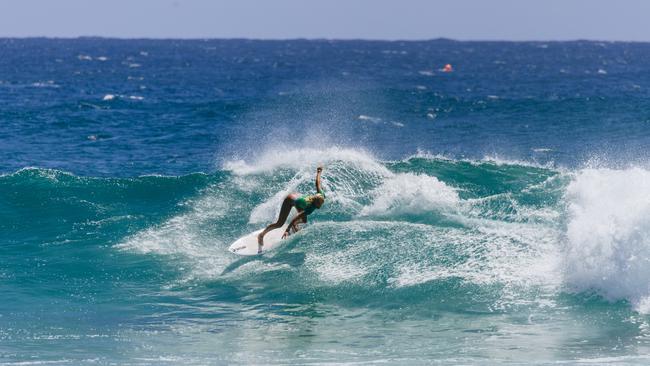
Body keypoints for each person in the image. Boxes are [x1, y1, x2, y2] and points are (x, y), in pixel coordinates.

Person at [257, 166, 325, 253]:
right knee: (279, 223)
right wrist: (287, 230)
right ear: (315, 203)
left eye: (321, 203)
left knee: (304, 220)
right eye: (319, 204)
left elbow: (317, 183)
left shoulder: (321, 195)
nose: (320, 205)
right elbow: (296, 216)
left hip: (299, 199)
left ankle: (294, 226)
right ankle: (261, 235)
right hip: (290, 200)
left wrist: (319, 172)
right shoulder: (310, 207)